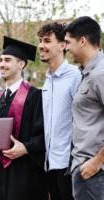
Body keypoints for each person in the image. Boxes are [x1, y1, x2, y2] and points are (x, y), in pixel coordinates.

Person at [0, 36, 47, 200]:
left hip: (24, 172)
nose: (2, 64)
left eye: (7, 60)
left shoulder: (35, 96)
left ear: (21, 64)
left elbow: (45, 134)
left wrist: (26, 148)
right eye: (0, 60)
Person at [37, 22, 81, 200]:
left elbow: (84, 118)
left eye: (47, 41)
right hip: (49, 164)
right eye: (40, 41)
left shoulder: (75, 76)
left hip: (69, 165)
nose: (41, 45)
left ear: (62, 45)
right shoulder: (47, 81)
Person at [64, 16, 104, 200]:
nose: (66, 48)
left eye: (67, 42)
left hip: (95, 173)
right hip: (84, 170)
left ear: (82, 41)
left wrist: (98, 161)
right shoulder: (86, 73)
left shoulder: (100, 74)